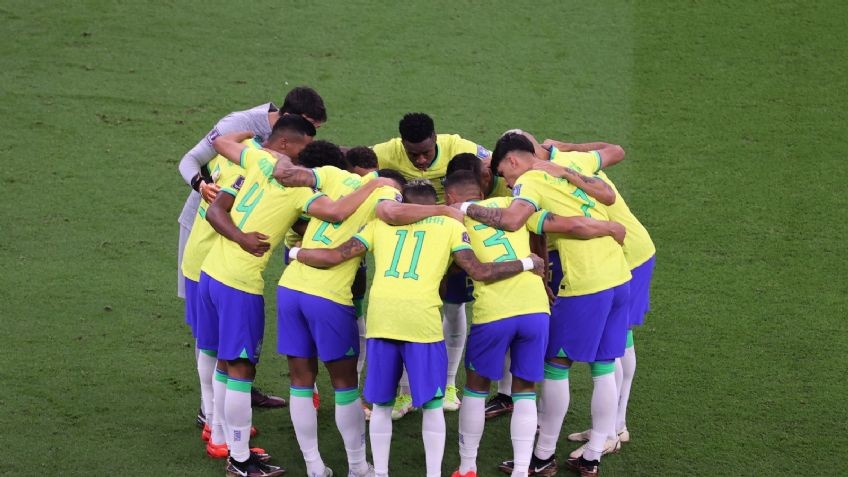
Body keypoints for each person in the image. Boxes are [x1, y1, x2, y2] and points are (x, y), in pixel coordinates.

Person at [289, 179, 545, 477]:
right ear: (435, 202)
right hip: (423, 323)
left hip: (382, 320)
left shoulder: (378, 224)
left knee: (381, 405)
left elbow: (335, 255)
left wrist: (294, 253)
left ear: (404, 204)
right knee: (433, 405)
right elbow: (478, 270)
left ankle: (380, 473)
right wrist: (528, 263)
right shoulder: (451, 225)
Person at [197, 118, 391, 477]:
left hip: (216, 274)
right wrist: (376, 183)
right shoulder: (308, 192)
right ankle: (241, 459)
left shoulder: (261, 161)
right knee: (244, 370)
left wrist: (256, 134)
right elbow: (336, 212)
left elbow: (221, 142)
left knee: (235, 366)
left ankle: (230, 441)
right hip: (249, 284)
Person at [460, 133, 631, 477]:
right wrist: (609, 225)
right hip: (619, 275)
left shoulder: (530, 181)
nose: (508, 185)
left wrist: (464, 208)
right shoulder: (564, 170)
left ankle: (542, 456)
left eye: (505, 175)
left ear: (512, 161)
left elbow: (513, 220)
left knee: (556, 366)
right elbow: (608, 194)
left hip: (588, 282)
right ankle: (593, 455)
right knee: (603, 365)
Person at [177, 86, 326, 419]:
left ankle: (221, 412)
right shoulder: (252, 155)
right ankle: (211, 414)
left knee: (222, 345)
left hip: (215, 258)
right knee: (212, 344)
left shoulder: (245, 152)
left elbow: (222, 146)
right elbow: (194, 163)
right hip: (210, 257)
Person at [529, 138, 655, 457]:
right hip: (615, 251)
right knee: (614, 342)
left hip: (626, 253)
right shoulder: (573, 160)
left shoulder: (550, 173)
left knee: (616, 341)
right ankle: (610, 426)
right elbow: (614, 151)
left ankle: (614, 428)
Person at [373, 113, 491, 415]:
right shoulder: (386, 151)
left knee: (453, 305)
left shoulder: (459, 145)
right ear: (402, 144)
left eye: (426, 152)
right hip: (409, 241)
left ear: (436, 139)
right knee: (405, 311)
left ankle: (448, 384)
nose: (422, 160)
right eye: (413, 155)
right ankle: (404, 391)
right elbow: (356, 164)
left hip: (451, 238)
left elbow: (494, 165)